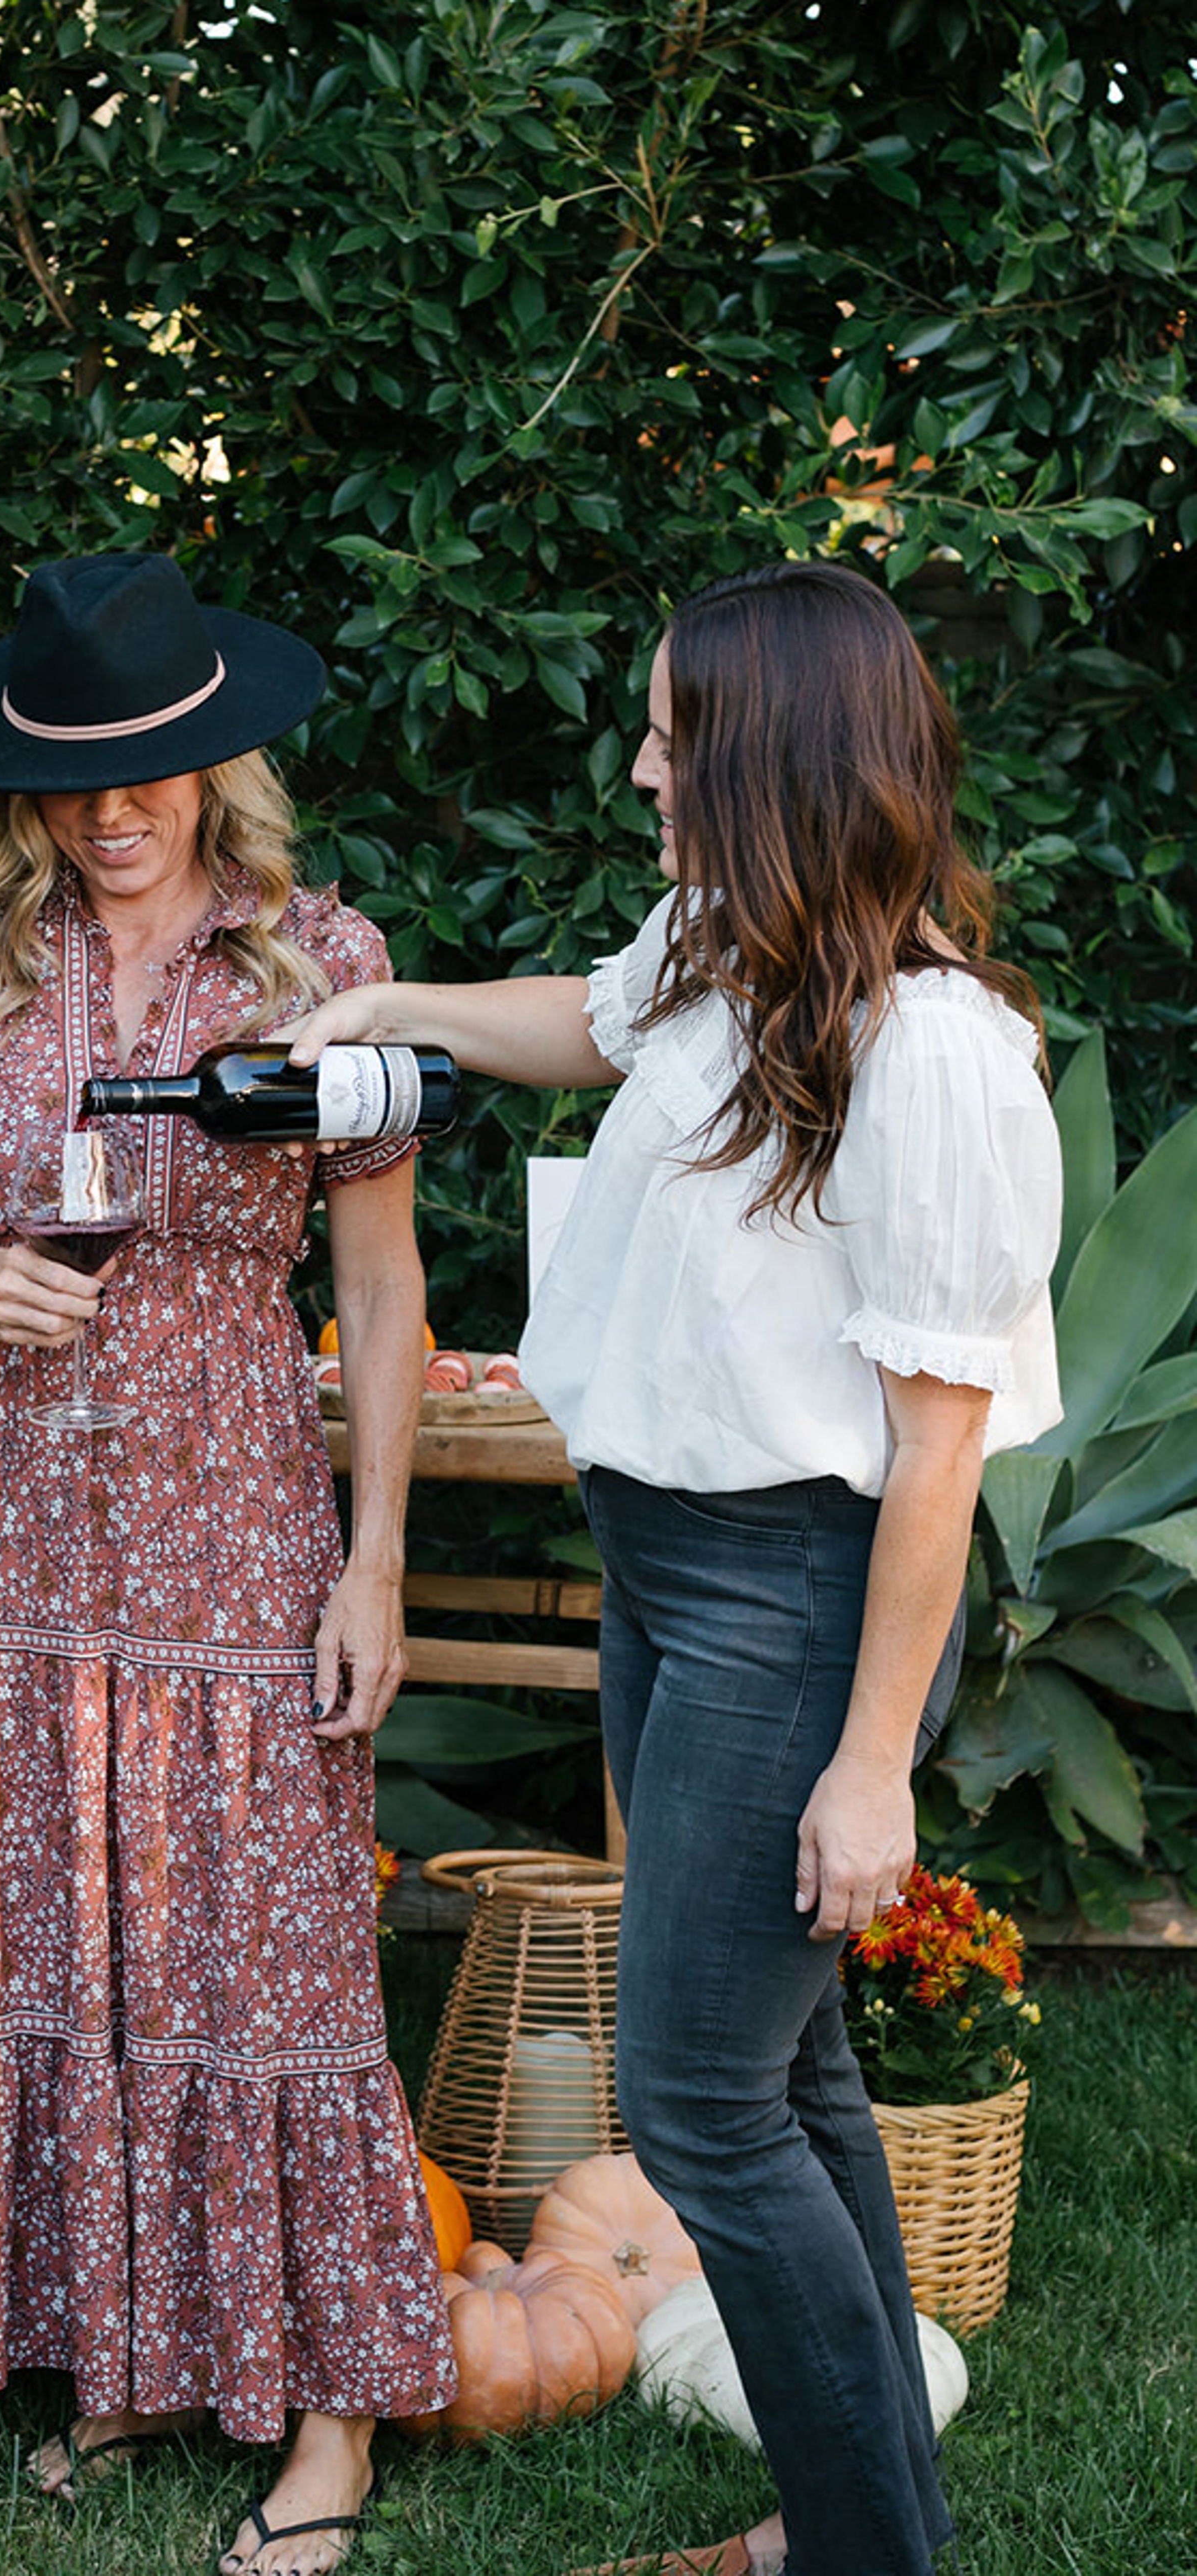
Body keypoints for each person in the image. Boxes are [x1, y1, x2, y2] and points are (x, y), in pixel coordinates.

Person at [282, 561, 1063, 2576]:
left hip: (791, 1600)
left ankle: (868, 2548)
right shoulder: (727, 957)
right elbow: (585, 1024)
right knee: (780, 2071)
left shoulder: (937, 1055)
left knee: (702, 2100)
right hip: (668, 1577)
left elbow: (939, 1449)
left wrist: (874, 1759)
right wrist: (392, 1004)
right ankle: (854, 2522)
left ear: (775, 759)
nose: (638, 764)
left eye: (668, 734)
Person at [0, 552, 455, 2576]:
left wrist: (374, 1562)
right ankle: (122, 2341)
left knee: (268, 1935)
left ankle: (332, 2407)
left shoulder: (323, 966)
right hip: (17, 1521)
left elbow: (377, 1296)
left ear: (224, 757)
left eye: (157, 768)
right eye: (73, 778)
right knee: (57, 1927)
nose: (115, 812)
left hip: (231, 1511)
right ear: (19, 785)